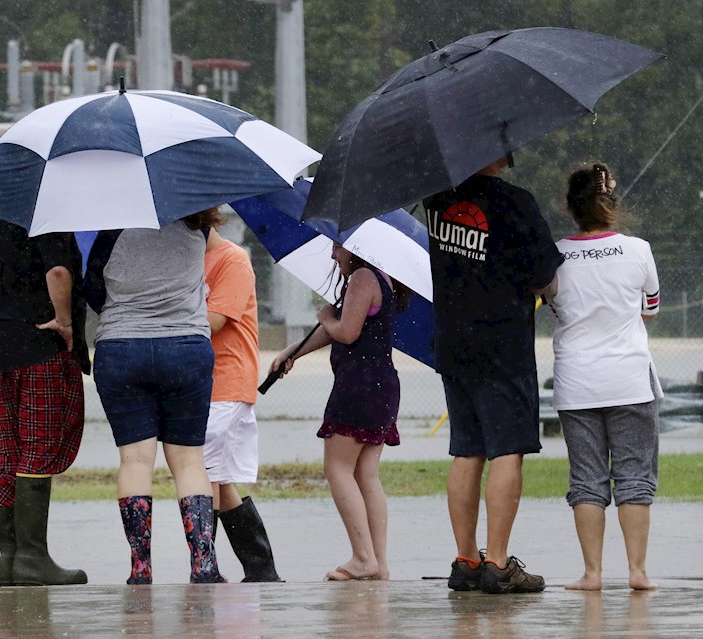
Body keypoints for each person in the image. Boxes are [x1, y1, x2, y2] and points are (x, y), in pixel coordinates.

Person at [423, 153, 562, 594]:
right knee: (506, 450)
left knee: (467, 450)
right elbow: (544, 279)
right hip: (502, 344)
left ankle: (466, 559)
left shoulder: (437, 201)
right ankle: (498, 564)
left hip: (453, 339)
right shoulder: (515, 202)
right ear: (491, 149)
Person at [85, 208, 226, 584]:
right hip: (185, 348)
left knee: (134, 460)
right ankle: (204, 565)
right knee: (190, 462)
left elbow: (93, 290)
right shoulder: (197, 223)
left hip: (121, 348)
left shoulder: (112, 226)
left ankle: (141, 567)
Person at [544, 163, 662, 591]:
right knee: (634, 475)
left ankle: (592, 574)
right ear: (611, 204)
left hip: (576, 382)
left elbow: (554, 307)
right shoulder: (639, 250)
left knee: (587, 479)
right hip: (630, 378)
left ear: (570, 208)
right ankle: (637, 572)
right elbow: (650, 308)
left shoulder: (554, 255)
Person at [0, 217, 90, 587]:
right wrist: (63, 321)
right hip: (38, 349)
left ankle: (10, 559)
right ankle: (32, 557)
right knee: (37, 446)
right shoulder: (49, 214)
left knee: (6, 451)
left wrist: (0, 311)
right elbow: (59, 272)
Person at [270, 243, 405, 581]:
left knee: (337, 469)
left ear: (355, 246)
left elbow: (345, 331)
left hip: (358, 388)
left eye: (337, 247)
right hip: (382, 387)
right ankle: (378, 562)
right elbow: (341, 329)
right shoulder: (382, 278)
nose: (333, 256)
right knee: (366, 475)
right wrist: (293, 352)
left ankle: (363, 558)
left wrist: (327, 316)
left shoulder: (362, 276)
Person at [203, 222, 281, 582]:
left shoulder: (232, 259)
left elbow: (214, 321)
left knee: (202, 476)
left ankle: (205, 567)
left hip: (228, 381)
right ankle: (261, 569)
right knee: (218, 479)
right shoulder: (188, 260)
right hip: (202, 382)